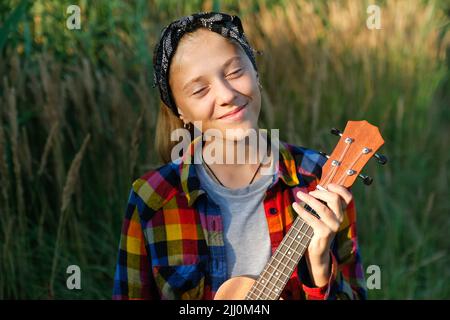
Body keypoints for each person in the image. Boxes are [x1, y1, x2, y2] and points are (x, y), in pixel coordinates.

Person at [112, 12, 367, 300]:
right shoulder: (152, 199)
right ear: (180, 111)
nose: (226, 94)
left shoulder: (318, 181)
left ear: (255, 73)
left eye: (235, 72)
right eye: (199, 89)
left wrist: (319, 269)